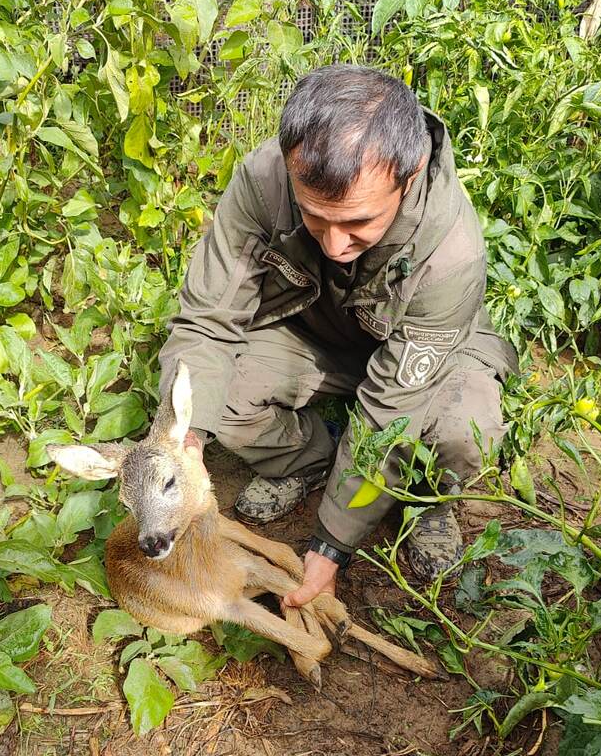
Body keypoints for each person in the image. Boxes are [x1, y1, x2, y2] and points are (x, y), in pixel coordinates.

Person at [157, 64, 517, 608]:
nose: (334, 245)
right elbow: (208, 321)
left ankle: (425, 496)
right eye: (315, 218)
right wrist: (184, 442)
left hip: (426, 360)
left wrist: (330, 545)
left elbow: (393, 405)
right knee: (215, 399)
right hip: (319, 336)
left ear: (411, 172)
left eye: (358, 224)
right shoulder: (263, 180)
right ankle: (309, 459)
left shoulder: (452, 253)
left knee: (466, 429)